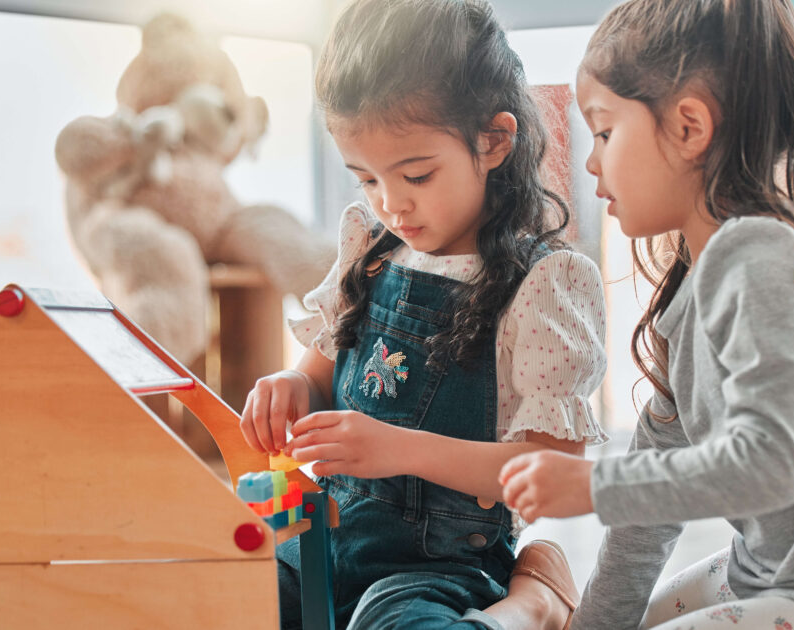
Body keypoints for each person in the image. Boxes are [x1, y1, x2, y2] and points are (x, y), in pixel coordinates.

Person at [499, 1, 794, 628]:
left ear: (689, 127)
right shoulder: (692, 293)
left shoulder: (766, 258)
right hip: (770, 573)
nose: (591, 161)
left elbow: (771, 463)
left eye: (605, 131)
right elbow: (644, 519)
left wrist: (593, 487)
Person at [239, 1, 607, 629]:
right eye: (367, 180)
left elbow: (554, 469)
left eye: (415, 174)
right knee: (214, 592)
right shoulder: (370, 246)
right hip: (320, 546)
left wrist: (399, 449)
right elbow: (317, 375)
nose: (391, 204)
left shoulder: (543, 282)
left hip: (436, 572)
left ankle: (534, 604)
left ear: (493, 141)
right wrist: (289, 388)